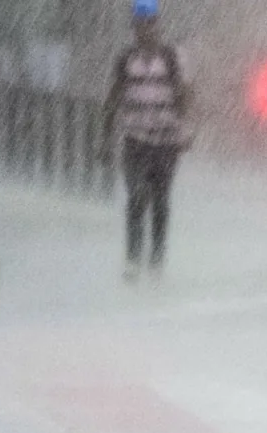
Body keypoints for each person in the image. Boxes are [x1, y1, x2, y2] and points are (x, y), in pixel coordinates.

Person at [102, 0, 194, 282]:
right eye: (140, 25)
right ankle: (132, 260)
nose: (145, 30)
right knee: (136, 196)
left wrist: (186, 129)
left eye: (150, 24)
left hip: (166, 142)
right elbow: (113, 99)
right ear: (134, 28)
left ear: (157, 25)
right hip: (135, 141)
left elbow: (186, 96)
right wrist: (105, 139)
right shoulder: (125, 60)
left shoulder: (172, 58)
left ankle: (156, 261)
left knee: (160, 201)